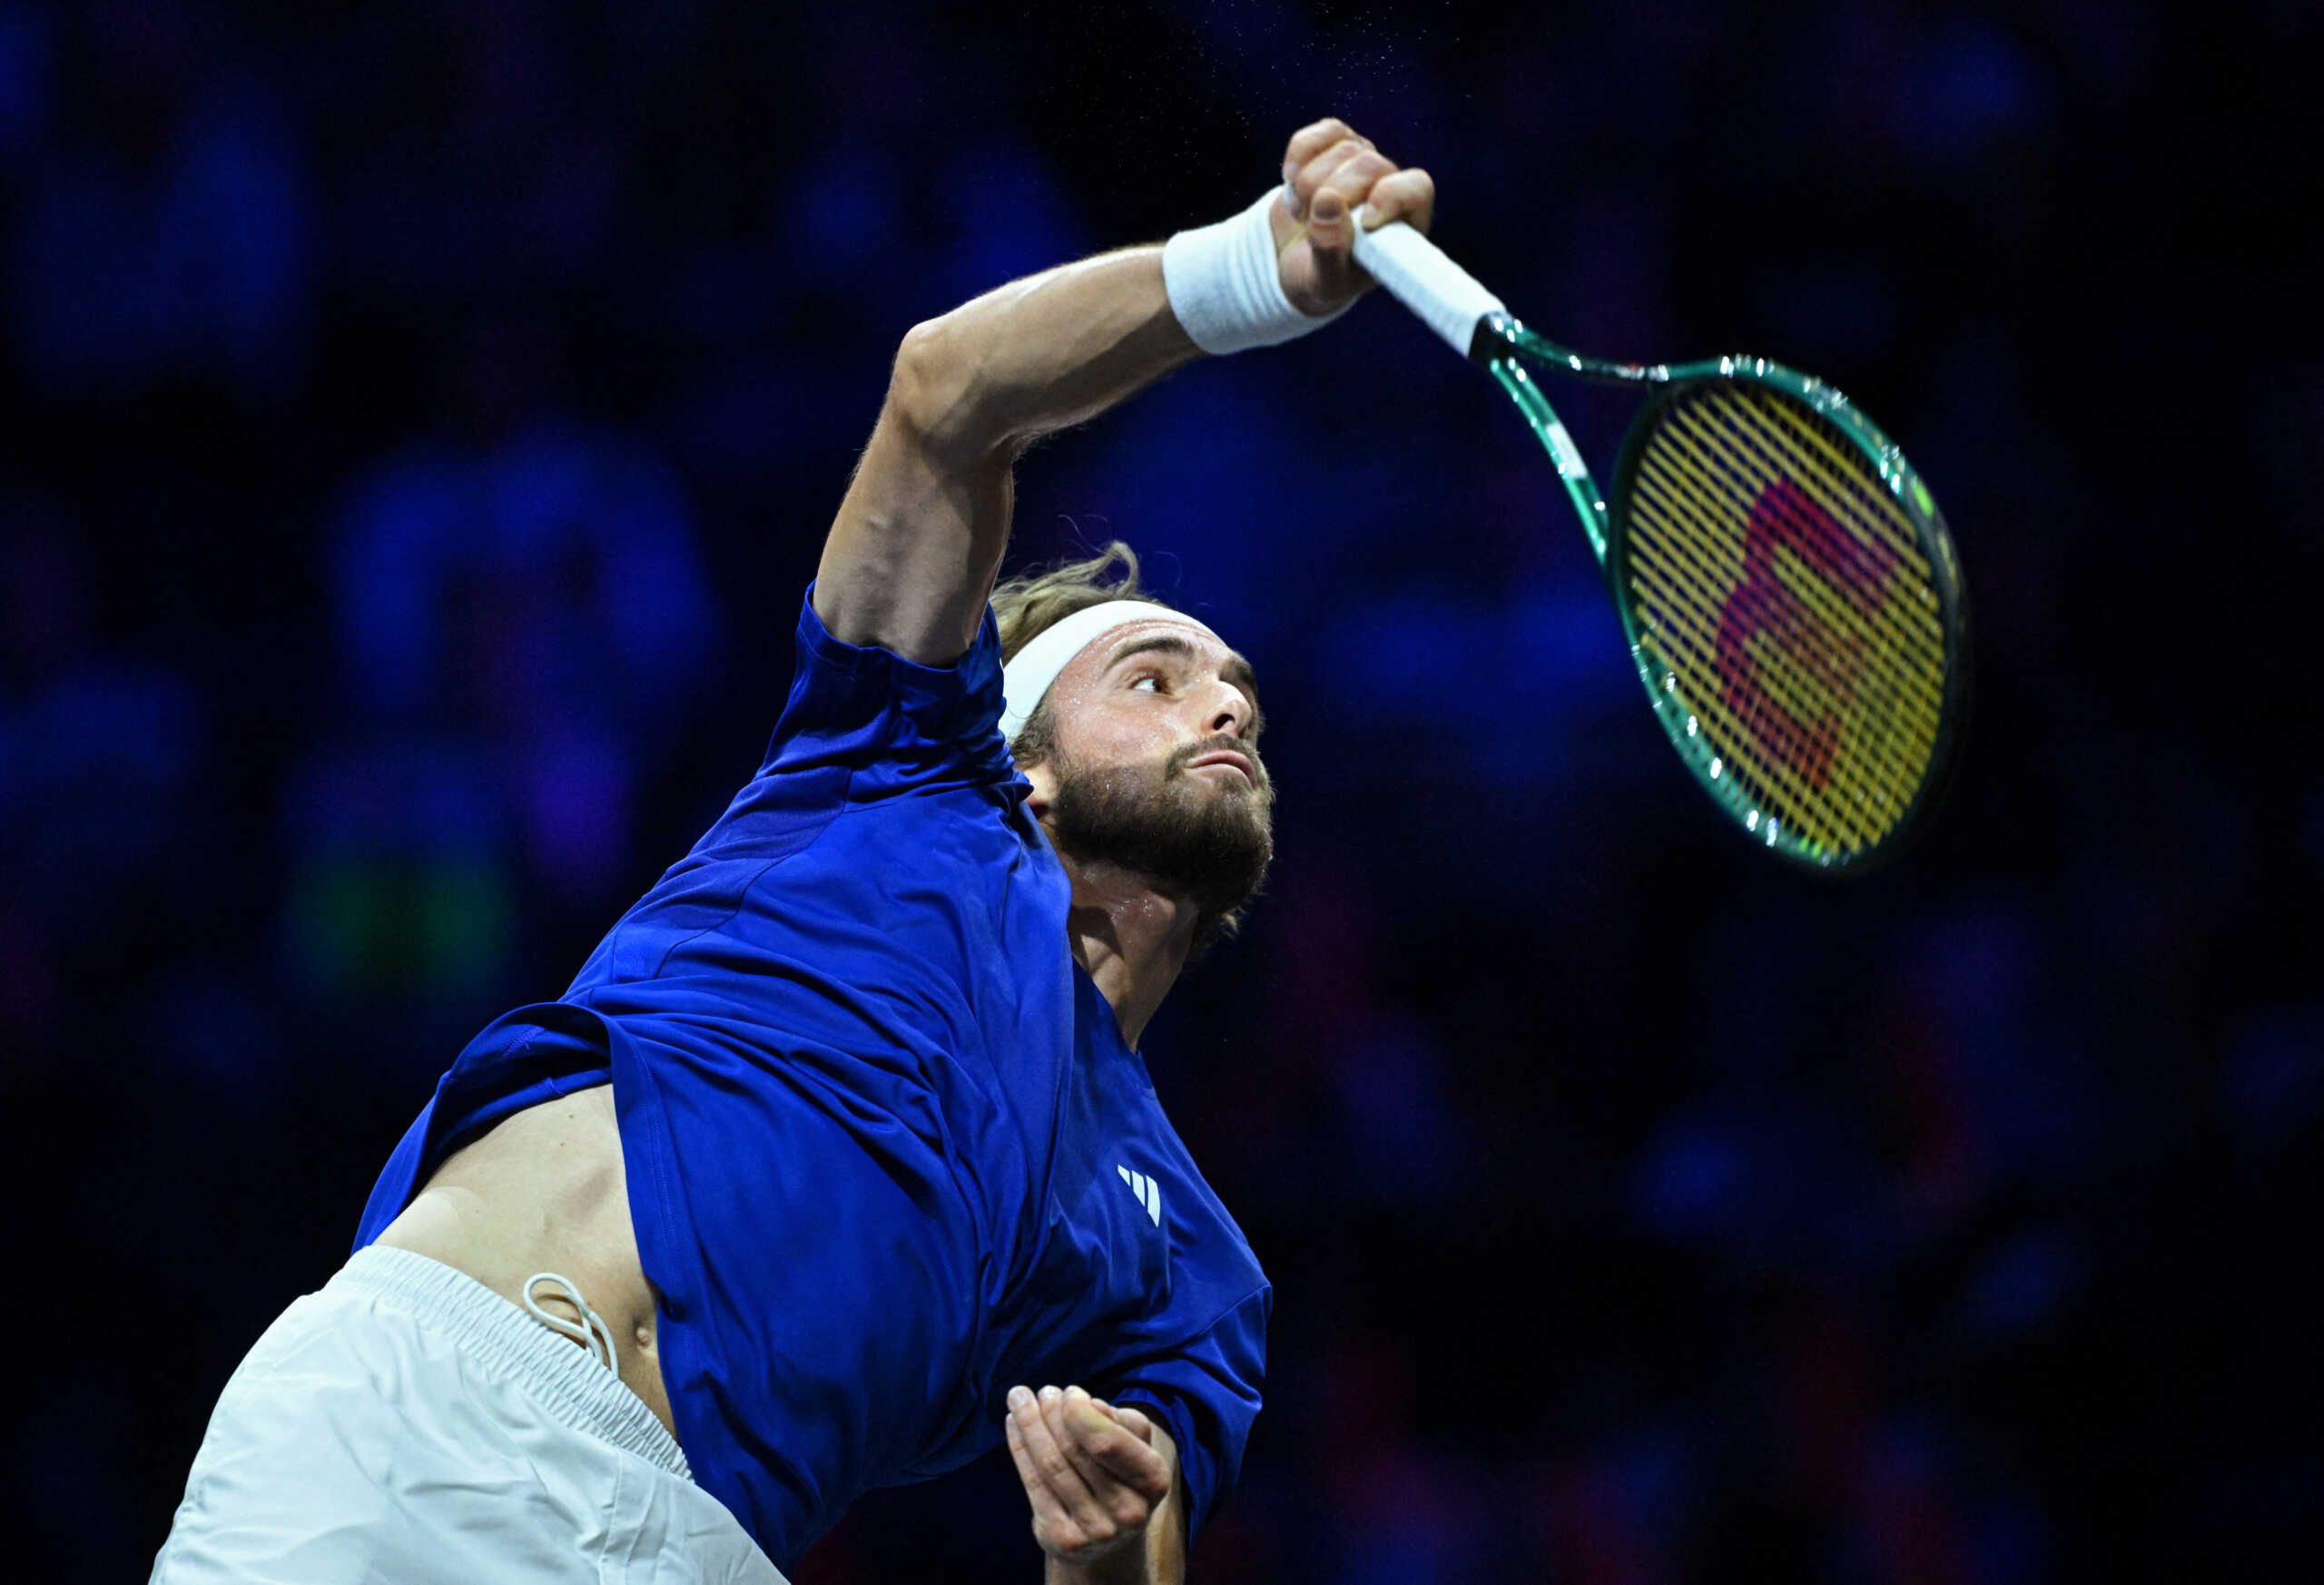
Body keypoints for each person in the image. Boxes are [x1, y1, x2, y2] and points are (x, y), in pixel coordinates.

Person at [151, 116, 1436, 1585]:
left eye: (1241, 700)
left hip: (694, 1549)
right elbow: (946, 391)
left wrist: (1095, 1551)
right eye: (1153, 674)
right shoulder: (894, 774)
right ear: (1019, 753)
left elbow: (1131, 1553)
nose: (1223, 698)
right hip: (417, 1421)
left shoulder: (1195, 1267)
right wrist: (1250, 274)